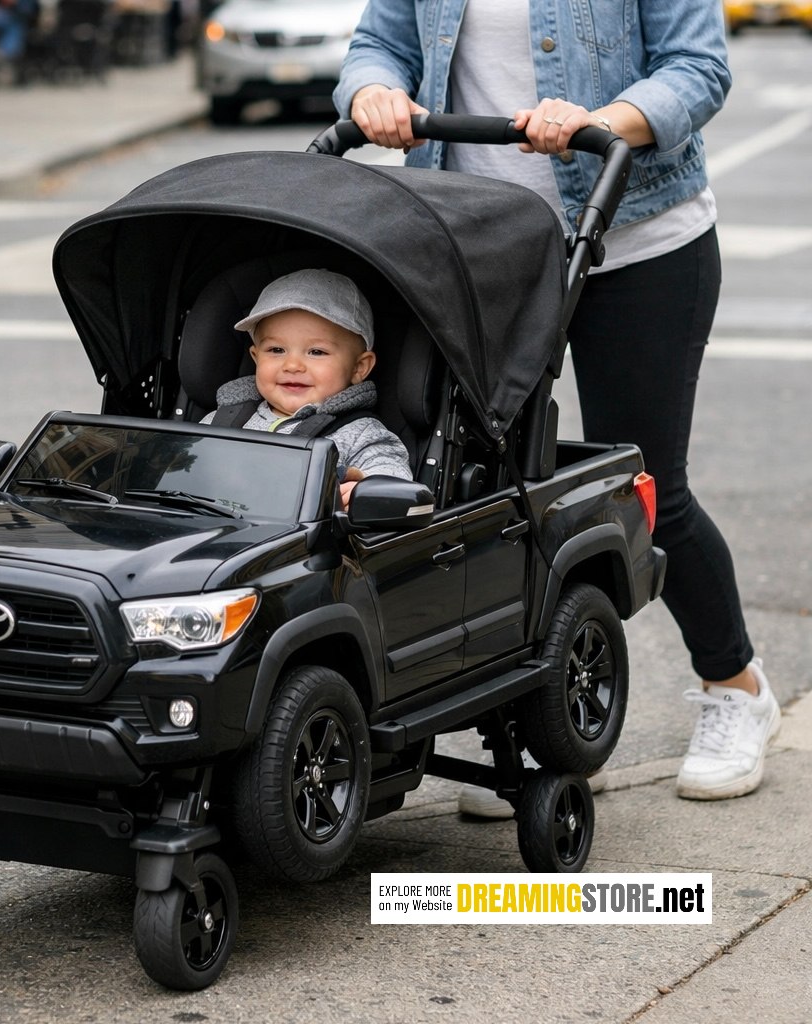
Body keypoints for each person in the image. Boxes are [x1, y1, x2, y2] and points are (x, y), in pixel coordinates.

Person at [334, 0, 780, 809]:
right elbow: (380, 45)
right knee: (495, 498)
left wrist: (600, 119)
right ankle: (554, 725)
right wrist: (371, 91)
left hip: (643, 242)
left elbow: (697, 70)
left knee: (644, 490)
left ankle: (736, 688)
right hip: (482, 248)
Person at [202, 268, 413, 508]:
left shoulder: (361, 434)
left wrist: (364, 492)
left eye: (316, 352)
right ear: (256, 357)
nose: (292, 365)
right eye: (276, 350)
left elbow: (392, 479)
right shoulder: (220, 421)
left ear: (359, 368)